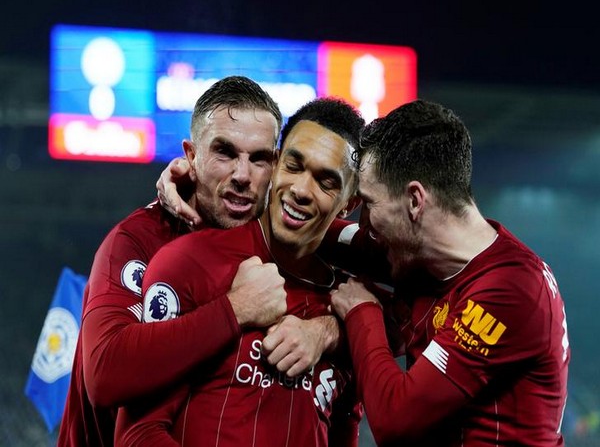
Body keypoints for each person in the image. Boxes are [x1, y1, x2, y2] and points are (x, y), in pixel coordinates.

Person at [58, 76, 341, 446]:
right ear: (192, 156)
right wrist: (236, 308)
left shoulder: (284, 242)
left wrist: (327, 330)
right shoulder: (139, 240)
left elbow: (394, 289)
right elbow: (104, 372)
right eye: (224, 152)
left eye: (259, 158)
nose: (242, 175)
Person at [330, 99, 571, 446]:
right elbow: (335, 238)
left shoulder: (511, 288)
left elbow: (393, 420)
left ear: (415, 200)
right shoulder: (427, 257)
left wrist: (360, 311)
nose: (363, 221)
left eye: (369, 203)